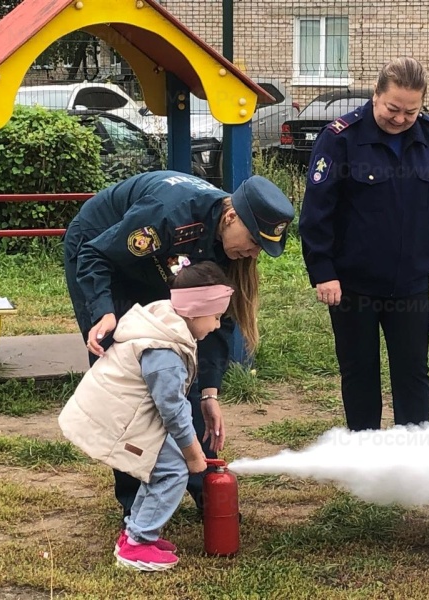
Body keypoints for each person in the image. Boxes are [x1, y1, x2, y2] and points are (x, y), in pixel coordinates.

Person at [63, 170, 294, 520]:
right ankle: (136, 505)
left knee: (174, 366)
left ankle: (202, 488)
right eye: (253, 242)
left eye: (262, 248)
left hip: (160, 265)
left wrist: (209, 394)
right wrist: (105, 312)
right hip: (103, 256)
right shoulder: (169, 215)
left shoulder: (227, 251)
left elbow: (213, 324)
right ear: (231, 216)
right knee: (132, 379)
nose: (253, 254)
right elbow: (97, 256)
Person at [299, 56, 429, 431]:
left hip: (411, 283)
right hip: (352, 285)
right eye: (393, 108)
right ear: (375, 95)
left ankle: (411, 455)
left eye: (410, 111)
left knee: (413, 372)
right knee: (359, 372)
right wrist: (323, 272)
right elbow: (316, 213)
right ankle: (366, 457)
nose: (401, 118)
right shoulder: (340, 139)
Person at [59, 261, 234, 571]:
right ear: (194, 311)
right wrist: (193, 453)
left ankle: (136, 532)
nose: (218, 325)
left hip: (125, 415)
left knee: (162, 470)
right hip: (118, 420)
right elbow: (173, 410)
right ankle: (138, 544)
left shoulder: (165, 323)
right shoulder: (164, 351)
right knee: (173, 471)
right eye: (216, 317)